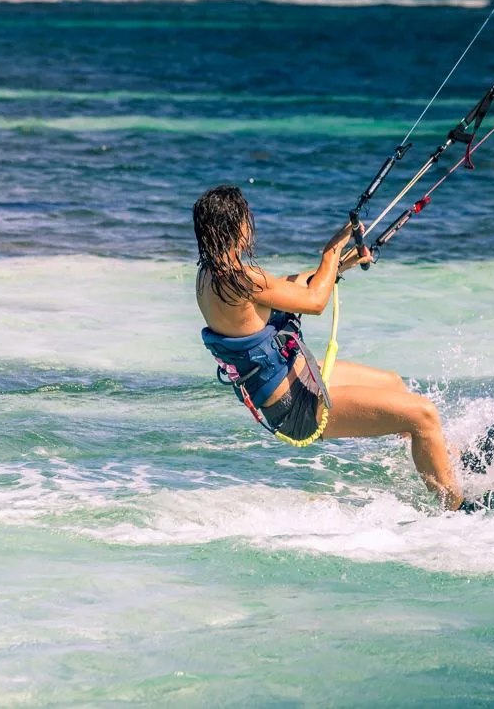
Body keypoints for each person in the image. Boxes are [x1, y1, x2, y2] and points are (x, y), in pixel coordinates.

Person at [194, 184, 463, 510]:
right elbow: (315, 302)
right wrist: (330, 252)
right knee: (424, 414)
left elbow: (285, 288)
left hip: (298, 381)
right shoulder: (242, 279)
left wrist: (340, 264)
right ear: (237, 227)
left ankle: (440, 464)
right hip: (298, 405)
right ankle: (457, 510)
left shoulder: (213, 276)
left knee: (393, 383)